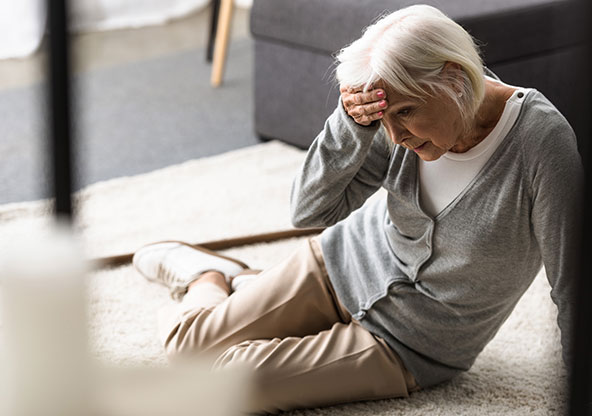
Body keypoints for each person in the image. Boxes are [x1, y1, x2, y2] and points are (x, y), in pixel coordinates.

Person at [132, 4, 584, 414]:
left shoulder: (541, 145)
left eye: (404, 112)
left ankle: (245, 285)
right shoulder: (396, 126)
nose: (395, 135)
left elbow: (573, 286)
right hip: (338, 264)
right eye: (382, 119)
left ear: (454, 79)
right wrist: (351, 123)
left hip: (408, 345)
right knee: (187, 347)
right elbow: (310, 211)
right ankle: (208, 277)